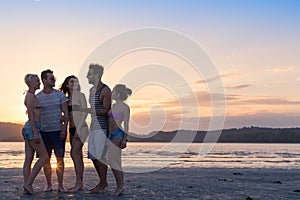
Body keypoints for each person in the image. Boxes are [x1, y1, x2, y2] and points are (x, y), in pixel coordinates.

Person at [36, 69, 69, 192]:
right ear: (44, 80)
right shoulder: (38, 97)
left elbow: (66, 114)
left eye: (54, 78)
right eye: (51, 78)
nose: (53, 80)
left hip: (57, 131)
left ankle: (60, 185)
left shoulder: (60, 95)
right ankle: (49, 184)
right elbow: (35, 115)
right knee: (46, 159)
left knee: (60, 158)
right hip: (44, 132)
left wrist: (64, 129)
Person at [82, 64, 111, 193]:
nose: (87, 76)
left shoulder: (105, 90)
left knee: (101, 156)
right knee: (93, 156)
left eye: (90, 74)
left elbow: (106, 110)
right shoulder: (91, 90)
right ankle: (102, 182)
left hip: (102, 127)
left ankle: (103, 184)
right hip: (93, 126)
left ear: (97, 75)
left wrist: (89, 110)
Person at [59, 75, 88, 192]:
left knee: (74, 154)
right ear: (67, 84)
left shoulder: (81, 96)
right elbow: (65, 115)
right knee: (78, 156)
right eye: (71, 81)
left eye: (76, 81)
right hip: (71, 130)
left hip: (81, 128)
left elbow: (85, 112)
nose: (74, 83)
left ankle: (78, 183)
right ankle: (80, 183)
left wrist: (79, 129)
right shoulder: (66, 99)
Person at [22, 74, 49, 195]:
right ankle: (28, 184)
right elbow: (31, 116)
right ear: (30, 83)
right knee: (44, 157)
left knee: (29, 159)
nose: (39, 83)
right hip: (32, 128)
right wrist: (36, 133)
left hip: (29, 128)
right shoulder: (31, 96)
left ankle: (27, 186)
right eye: (37, 81)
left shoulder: (30, 96)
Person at [107, 84, 131, 196]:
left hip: (118, 134)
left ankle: (120, 187)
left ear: (118, 94)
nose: (112, 93)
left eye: (113, 91)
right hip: (110, 135)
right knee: (117, 161)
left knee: (112, 160)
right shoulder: (112, 106)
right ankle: (120, 187)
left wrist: (125, 139)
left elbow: (126, 125)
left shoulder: (125, 107)